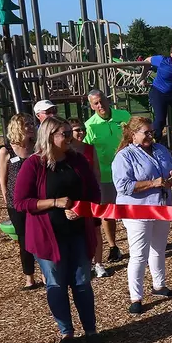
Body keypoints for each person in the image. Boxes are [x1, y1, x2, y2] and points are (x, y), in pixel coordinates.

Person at [12, 117, 101, 343]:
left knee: (82, 281)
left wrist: (81, 211)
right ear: (50, 136)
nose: (70, 137)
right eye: (64, 133)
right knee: (56, 283)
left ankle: (91, 330)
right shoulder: (34, 165)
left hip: (78, 231)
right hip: (47, 235)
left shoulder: (78, 161)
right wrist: (54, 202)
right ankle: (67, 332)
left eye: (70, 132)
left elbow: (94, 193)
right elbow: (21, 202)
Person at [112, 116, 172, 314]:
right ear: (133, 135)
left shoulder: (160, 150)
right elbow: (123, 186)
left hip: (162, 207)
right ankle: (136, 297)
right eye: (146, 132)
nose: (150, 136)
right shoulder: (124, 156)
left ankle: (159, 285)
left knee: (158, 248)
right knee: (139, 254)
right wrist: (152, 183)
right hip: (137, 210)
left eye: (151, 132)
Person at [84, 89, 130, 265]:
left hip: (127, 172)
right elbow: (86, 150)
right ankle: (113, 246)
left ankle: (136, 241)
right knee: (108, 212)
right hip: (104, 175)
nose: (100, 105)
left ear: (107, 99)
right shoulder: (90, 125)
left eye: (102, 101)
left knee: (129, 208)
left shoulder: (123, 115)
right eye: (96, 103)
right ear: (91, 106)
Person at [0, 113, 39, 289]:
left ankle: (46, 272)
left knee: (40, 236)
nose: (30, 127)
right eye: (26, 124)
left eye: (31, 123)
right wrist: (8, 200)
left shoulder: (37, 148)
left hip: (37, 200)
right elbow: (3, 180)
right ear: (16, 127)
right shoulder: (6, 150)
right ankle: (29, 277)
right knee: (24, 239)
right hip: (16, 204)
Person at [68, 117, 108, 278]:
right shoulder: (65, 151)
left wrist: (97, 192)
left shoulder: (90, 149)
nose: (81, 132)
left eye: (83, 129)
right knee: (75, 232)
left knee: (96, 229)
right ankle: (80, 263)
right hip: (72, 197)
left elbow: (96, 171)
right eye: (77, 129)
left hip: (89, 195)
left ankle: (98, 263)